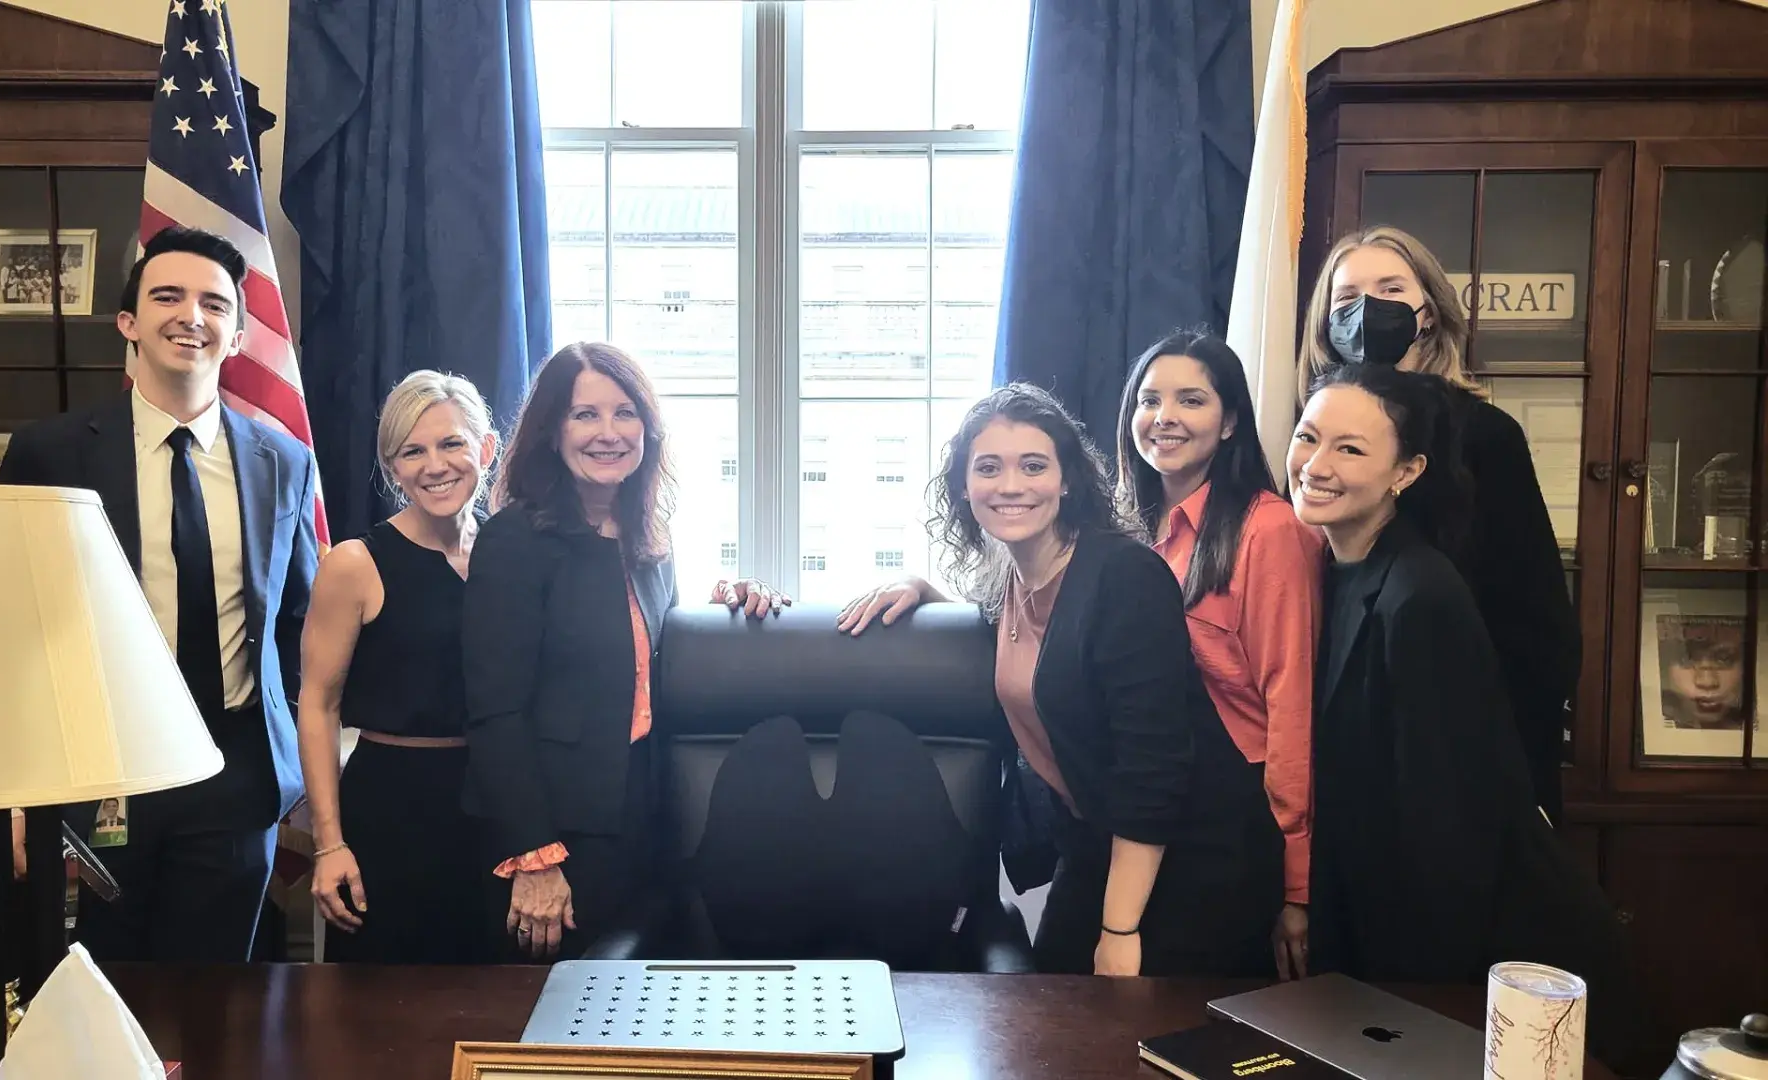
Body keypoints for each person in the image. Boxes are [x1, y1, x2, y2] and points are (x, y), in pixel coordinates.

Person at [841, 384, 1282, 977]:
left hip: (1193, 859)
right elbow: (1024, 648)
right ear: (964, 487)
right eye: (988, 468)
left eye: (1033, 466)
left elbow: (1153, 769)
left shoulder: (1124, 576)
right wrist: (920, 589)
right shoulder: (1008, 577)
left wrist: (1119, 930)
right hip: (1093, 844)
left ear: (1066, 479)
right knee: (1046, 1013)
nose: (1010, 485)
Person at [1289, 363, 1637, 1061]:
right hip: (1392, 924)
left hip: (1481, 957)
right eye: (1307, 437)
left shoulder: (1420, 597)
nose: (1316, 466)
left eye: (1350, 448)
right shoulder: (1336, 568)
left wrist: (1414, 1003)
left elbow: (1447, 831)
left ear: (1407, 472)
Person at [0, 225, 319, 961]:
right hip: (102, 766)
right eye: (167, 296)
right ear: (129, 322)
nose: (191, 316)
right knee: (101, 982)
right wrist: (15, 789)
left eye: (214, 304)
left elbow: (295, 622)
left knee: (215, 994)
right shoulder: (51, 451)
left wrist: (303, 763)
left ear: (239, 336)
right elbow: (12, 625)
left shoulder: (283, 461)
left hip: (234, 770)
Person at [462, 341, 788, 962]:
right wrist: (534, 857)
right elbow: (494, 713)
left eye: (625, 413)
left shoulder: (649, 536)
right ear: (552, 430)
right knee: (557, 1014)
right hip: (555, 837)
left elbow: (642, 658)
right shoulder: (514, 540)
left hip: (643, 816)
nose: (608, 433)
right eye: (585, 414)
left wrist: (728, 602)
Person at [1298, 225, 1579, 822]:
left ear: (1428, 311)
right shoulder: (1312, 436)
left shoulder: (1484, 435)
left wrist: (1515, 773)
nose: (1368, 309)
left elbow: (1537, 623)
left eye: (1390, 289)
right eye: (1347, 298)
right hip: (1346, 734)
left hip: (1460, 745)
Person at [1117, 329, 1325, 980]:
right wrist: (924, 590)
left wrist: (1296, 887)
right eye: (1149, 400)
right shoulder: (1127, 529)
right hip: (1147, 808)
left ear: (1230, 421)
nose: (1165, 417)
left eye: (1191, 400)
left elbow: (1291, 704)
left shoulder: (1269, 530)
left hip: (1231, 822)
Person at [297, 370, 497, 963]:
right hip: (390, 809)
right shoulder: (354, 564)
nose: (435, 465)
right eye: (413, 451)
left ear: (486, 449)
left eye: (451, 443)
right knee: (379, 1001)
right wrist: (328, 843)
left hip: (494, 804)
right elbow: (318, 705)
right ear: (393, 468)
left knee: (493, 994)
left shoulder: (510, 555)